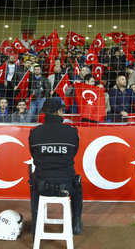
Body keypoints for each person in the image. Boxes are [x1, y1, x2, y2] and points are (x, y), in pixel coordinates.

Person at [28, 98, 83, 236]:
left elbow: (34, 155)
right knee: (77, 184)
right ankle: (76, 223)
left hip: (41, 187)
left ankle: (36, 227)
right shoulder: (72, 132)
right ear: (58, 111)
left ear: (45, 113)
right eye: (62, 110)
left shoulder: (35, 132)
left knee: (35, 183)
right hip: (67, 186)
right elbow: (73, 153)